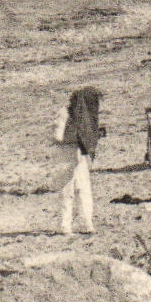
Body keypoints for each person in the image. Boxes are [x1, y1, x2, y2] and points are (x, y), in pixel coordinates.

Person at [56, 87, 101, 236]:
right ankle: (65, 226)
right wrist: (73, 140)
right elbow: (57, 136)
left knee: (84, 190)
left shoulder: (82, 114)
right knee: (67, 190)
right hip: (67, 155)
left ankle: (86, 223)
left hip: (79, 155)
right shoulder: (65, 113)